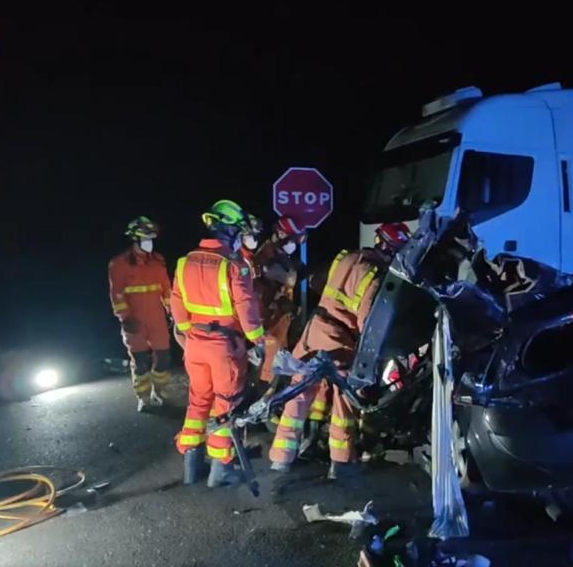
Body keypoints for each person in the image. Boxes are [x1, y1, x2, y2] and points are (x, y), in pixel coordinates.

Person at [268, 222, 411, 480]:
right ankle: (342, 462)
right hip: (339, 340)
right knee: (345, 399)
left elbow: (318, 283)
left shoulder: (346, 257)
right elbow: (369, 322)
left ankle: (280, 459)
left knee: (298, 392)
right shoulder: (374, 276)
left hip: (314, 329)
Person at [171, 200, 266, 487]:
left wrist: (189, 334)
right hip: (225, 346)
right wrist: (257, 340)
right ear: (228, 230)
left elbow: (176, 303)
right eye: (238, 231)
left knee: (198, 401)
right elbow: (246, 305)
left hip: (195, 344)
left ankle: (191, 465)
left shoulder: (184, 261)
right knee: (226, 405)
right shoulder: (235, 265)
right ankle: (221, 469)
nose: (241, 237)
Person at [108, 216, 172, 412]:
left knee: (163, 358)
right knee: (140, 361)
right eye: (146, 239)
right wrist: (125, 318)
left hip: (157, 318)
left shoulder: (158, 261)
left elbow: (166, 290)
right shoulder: (118, 264)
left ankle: (159, 392)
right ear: (135, 239)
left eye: (152, 239)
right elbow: (116, 294)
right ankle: (143, 397)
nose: (150, 243)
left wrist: (171, 312)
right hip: (134, 320)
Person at [254, 216, 306, 384]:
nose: (295, 244)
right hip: (269, 318)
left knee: (278, 358)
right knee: (269, 360)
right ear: (281, 233)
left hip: (280, 318)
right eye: (292, 239)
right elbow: (260, 286)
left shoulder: (281, 255)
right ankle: (262, 389)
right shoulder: (266, 254)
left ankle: (271, 390)